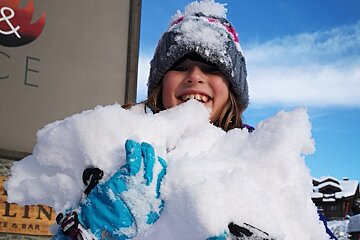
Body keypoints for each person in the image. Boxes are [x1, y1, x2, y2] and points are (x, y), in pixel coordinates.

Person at [53, 0, 332, 239]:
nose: (195, 76)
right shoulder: (114, 147)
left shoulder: (265, 160)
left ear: (232, 90)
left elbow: (311, 229)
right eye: (181, 66)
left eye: (212, 68)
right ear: (160, 84)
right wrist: (90, 228)